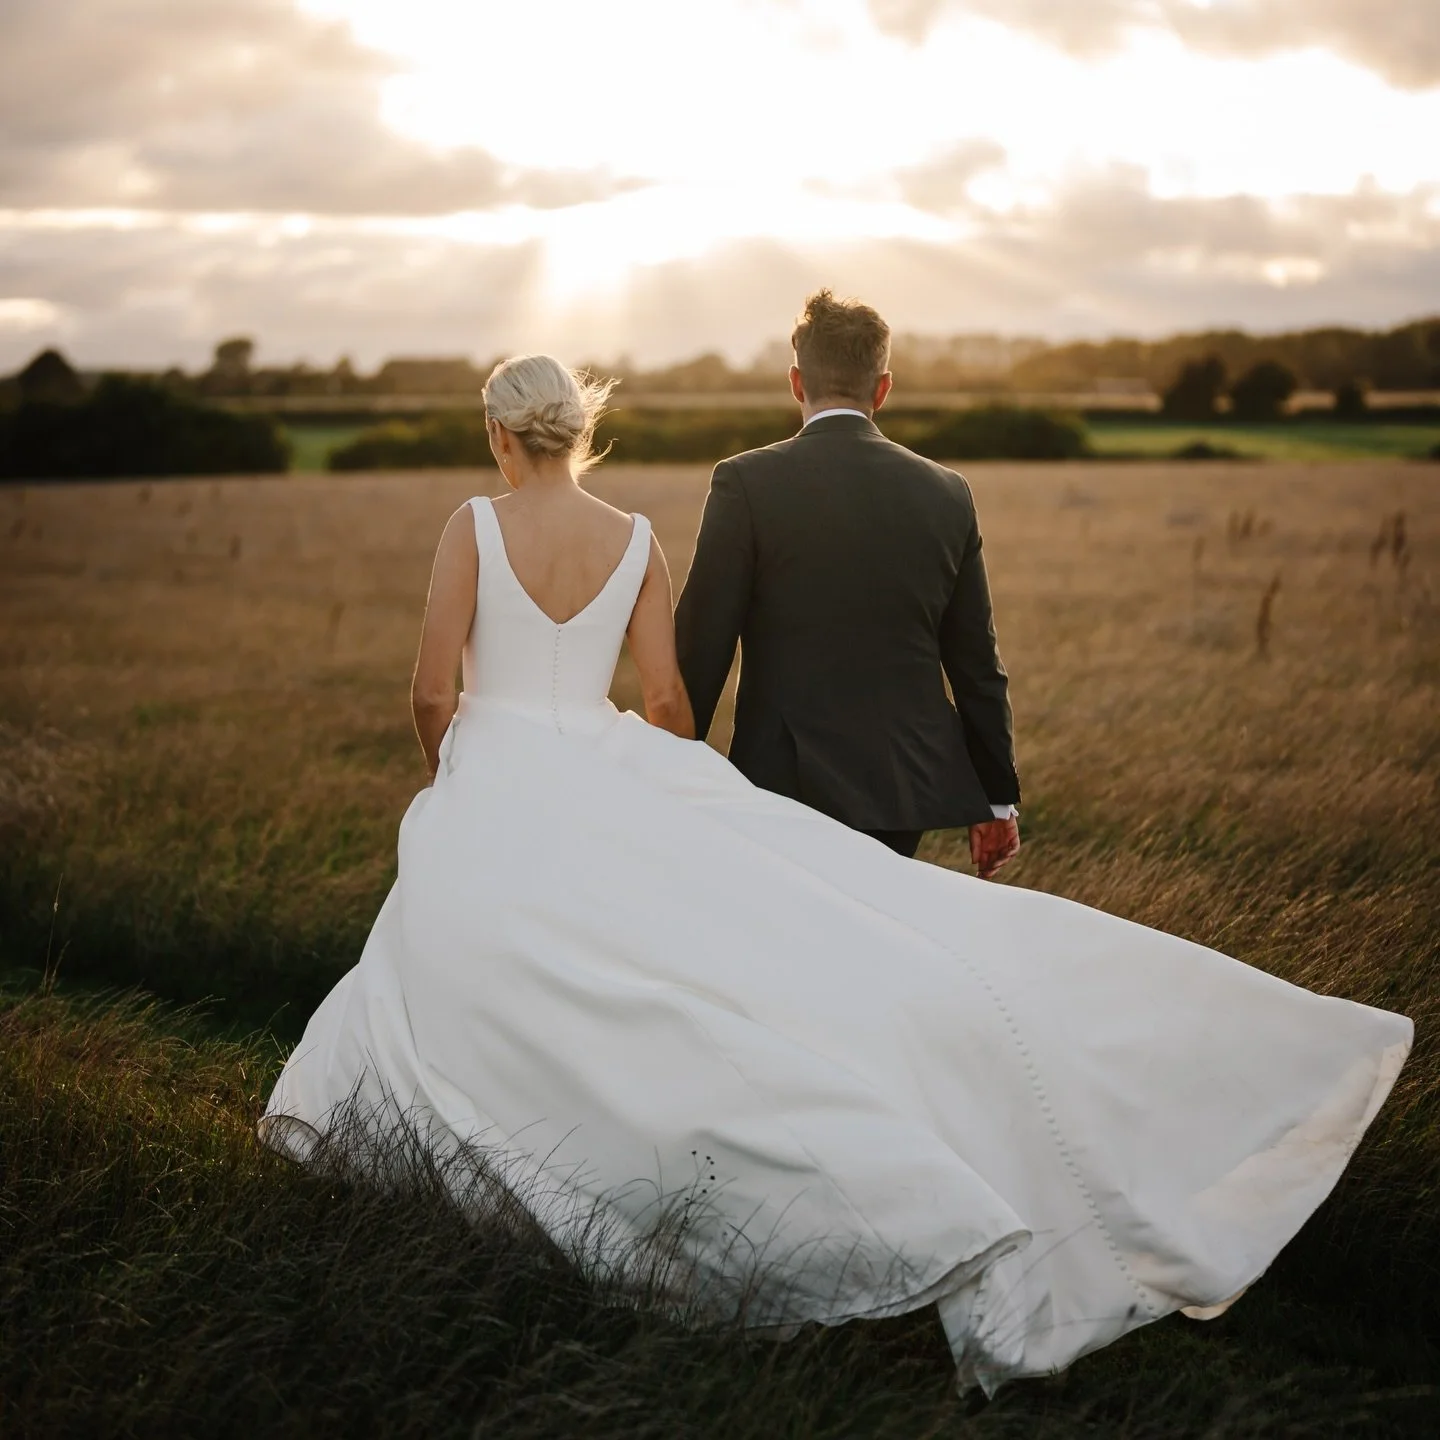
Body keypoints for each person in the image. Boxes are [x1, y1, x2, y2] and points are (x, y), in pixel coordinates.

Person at [261, 348, 1411, 1397]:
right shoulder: (635, 538)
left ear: (498, 434)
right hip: (603, 766)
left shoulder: (472, 524)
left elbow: (431, 688)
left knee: (480, 969)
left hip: (498, 770)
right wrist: (651, 786)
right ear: (580, 430)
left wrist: (453, 762)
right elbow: (665, 700)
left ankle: (491, 1158)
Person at [676, 289, 1017, 869]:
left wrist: (669, 769)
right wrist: (997, 796)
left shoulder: (745, 483)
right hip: (903, 786)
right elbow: (976, 661)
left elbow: (702, 647)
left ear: (795, 382)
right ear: (882, 388)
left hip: (780, 780)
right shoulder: (947, 492)